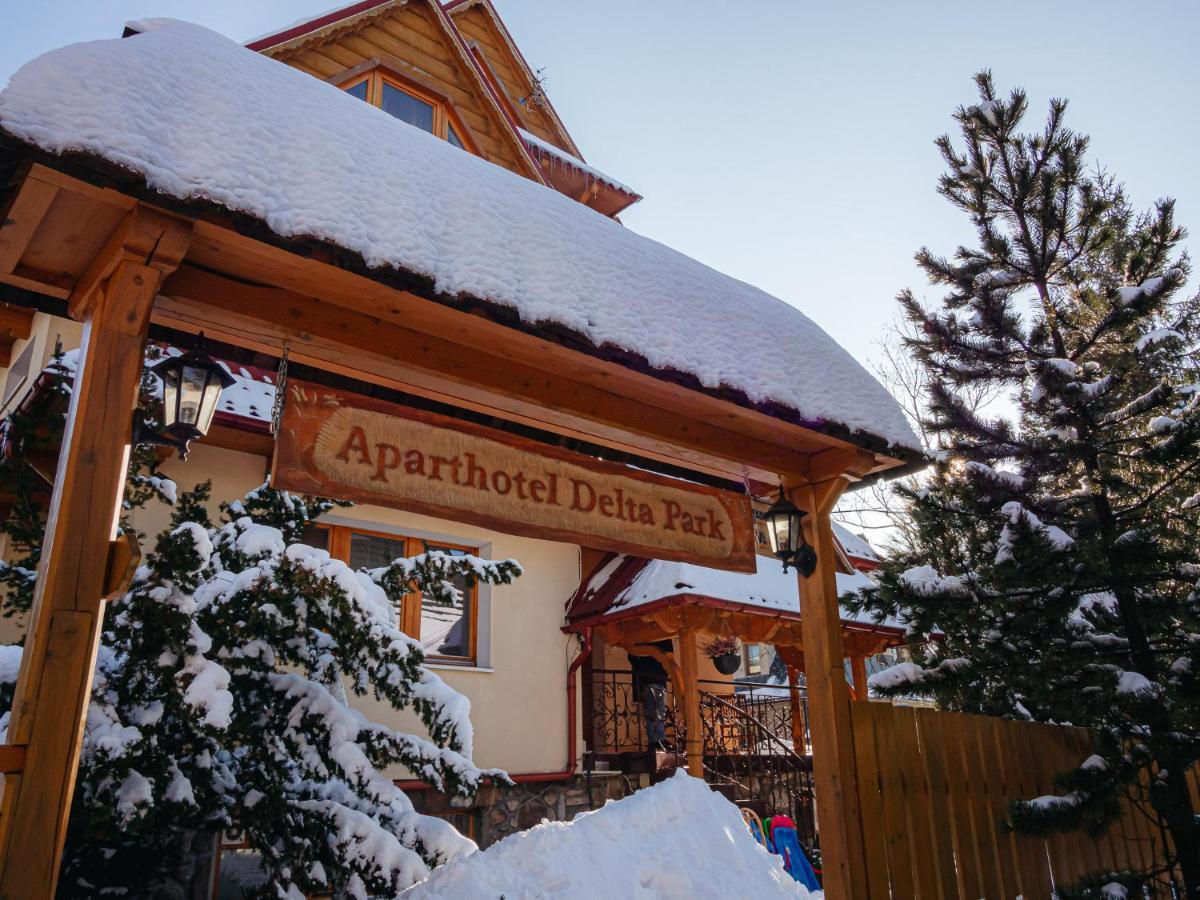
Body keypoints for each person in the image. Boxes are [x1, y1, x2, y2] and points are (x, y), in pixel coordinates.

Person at [628, 641, 673, 748]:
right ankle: (657, 740)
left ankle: (655, 741)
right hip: (656, 680)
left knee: (653, 713)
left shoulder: (643, 641)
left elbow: (632, 657)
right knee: (658, 713)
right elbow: (669, 658)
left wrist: (640, 671)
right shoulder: (662, 641)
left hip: (648, 680)